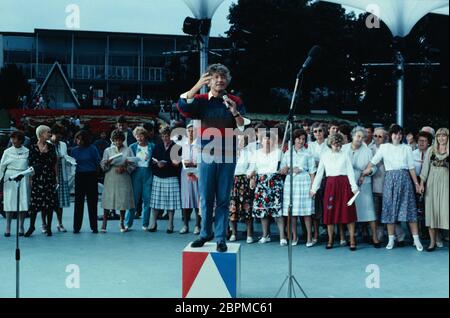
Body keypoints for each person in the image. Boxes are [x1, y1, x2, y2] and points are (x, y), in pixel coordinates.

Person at [177, 63, 246, 252]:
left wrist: (234, 112)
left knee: (223, 197)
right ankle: (204, 234)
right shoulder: (200, 100)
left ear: (227, 81)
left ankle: (220, 237)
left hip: (228, 154)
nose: (220, 80)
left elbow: (243, 126)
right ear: (210, 80)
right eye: (216, 77)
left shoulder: (235, 100)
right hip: (206, 154)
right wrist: (198, 84)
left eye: (223, 77)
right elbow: (183, 105)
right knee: (206, 197)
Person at [363, 124, 423, 251]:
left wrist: (416, 184)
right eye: (395, 133)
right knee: (389, 210)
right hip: (390, 180)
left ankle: (416, 240)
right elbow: (373, 161)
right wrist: (364, 172)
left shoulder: (406, 148)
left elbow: (411, 167)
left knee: (410, 211)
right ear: (390, 135)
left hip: (405, 179)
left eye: (400, 134)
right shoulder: (384, 147)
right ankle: (391, 240)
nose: (398, 136)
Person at [310, 133, 359, 251]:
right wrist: (314, 189)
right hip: (330, 185)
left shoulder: (345, 155)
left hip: (344, 184)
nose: (337, 147)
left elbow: (350, 172)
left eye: (339, 145)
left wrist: (354, 187)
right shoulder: (324, 156)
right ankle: (330, 239)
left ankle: (352, 239)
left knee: (348, 212)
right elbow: (320, 173)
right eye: (335, 145)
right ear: (330, 144)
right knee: (329, 213)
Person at [343, 127, 381, 248]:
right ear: (352, 136)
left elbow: (374, 167)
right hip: (348, 184)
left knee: (369, 211)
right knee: (351, 212)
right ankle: (352, 239)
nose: (360, 139)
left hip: (364, 184)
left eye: (362, 137)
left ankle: (375, 237)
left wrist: (367, 172)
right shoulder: (343, 148)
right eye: (358, 136)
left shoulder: (368, 150)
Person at [248, 131, 286, 245]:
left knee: (277, 211)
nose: (268, 141)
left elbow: (285, 167)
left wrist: (284, 169)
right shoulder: (256, 153)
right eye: (265, 139)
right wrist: (251, 177)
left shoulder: (279, 153)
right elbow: (251, 168)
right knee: (263, 211)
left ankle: (282, 237)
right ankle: (265, 235)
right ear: (261, 141)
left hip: (275, 182)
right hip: (262, 183)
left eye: (270, 139)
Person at [280, 129, 316, 247]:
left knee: (307, 213)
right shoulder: (287, 153)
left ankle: (309, 238)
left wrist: (312, 188)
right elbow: (282, 170)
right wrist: (290, 170)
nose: (301, 141)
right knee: (292, 213)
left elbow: (312, 172)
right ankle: (294, 236)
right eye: (299, 138)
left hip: (304, 182)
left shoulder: (308, 153)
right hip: (291, 183)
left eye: (303, 139)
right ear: (294, 139)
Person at [25, 125, 58, 237]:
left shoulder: (51, 147)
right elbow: (31, 163)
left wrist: (56, 178)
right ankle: (31, 226)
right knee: (34, 204)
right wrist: (30, 179)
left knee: (49, 203)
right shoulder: (33, 147)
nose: (50, 134)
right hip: (37, 178)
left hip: (49, 177)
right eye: (48, 132)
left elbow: (54, 163)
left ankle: (48, 227)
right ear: (41, 134)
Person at [100, 130, 135, 233]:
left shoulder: (128, 150)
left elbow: (133, 164)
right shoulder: (107, 150)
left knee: (122, 199)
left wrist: (124, 168)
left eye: (119, 140)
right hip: (110, 175)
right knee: (108, 199)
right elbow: (102, 166)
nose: (117, 143)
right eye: (115, 141)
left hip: (123, 176)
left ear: (122, 140)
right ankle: (104, 223)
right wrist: (108, 163)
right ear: (112, 140)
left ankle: (122, 222)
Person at [420, 128, 449, 251]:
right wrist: (422, 184)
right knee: (432, 213)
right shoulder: (431, 150)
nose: (441, 138)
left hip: (446, 184)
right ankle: (432, 242)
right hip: (432, 184)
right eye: (439, 136)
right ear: (436, 137)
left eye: (444, 136)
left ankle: (441, 237)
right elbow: (425, 168)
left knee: (445, 211)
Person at [149, 127, 182, 233]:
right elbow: (152, 160)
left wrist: (167, 163)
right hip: (158, 176)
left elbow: (178, 163)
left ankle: (170, 224)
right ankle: (153, 223)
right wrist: (156, 163)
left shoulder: (177, 147)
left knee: (171, 203)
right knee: (155, 202)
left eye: (167, 136)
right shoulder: (157, 146)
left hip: (171, 176)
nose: (164, 138)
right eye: (163, 136)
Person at [70, 130, 100, 233]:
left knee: (92, 202)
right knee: (78, 202)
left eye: (81, 139)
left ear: (86, 140)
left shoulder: (92, 149)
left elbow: (97, 162)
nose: (79, 141)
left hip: (91, 175)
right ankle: (76, 227)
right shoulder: (73, 150)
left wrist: (96, 175)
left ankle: (94, 226)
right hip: (79, 176)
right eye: (77, 139)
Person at [0, 131, 29, 237]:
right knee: (9, 202)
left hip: (23, 176)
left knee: (23, 202)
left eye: (15, 138)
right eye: (12, 138)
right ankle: (8, 226)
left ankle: (21, 226)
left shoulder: (27, 151)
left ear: (21, 140)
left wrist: (30, 179)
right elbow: (2, 167)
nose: (13, 140)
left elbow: (30, 166)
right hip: (10, 177)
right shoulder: (7, 151)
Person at [125, 127, 154, 231]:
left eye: (141, 135)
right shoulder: (132, 146)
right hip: (136, 173)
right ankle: (128, 223)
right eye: (137, 136)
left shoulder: (152, 146)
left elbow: (154, 159)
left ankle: (145, 224)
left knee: (147, 199)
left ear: (145, 135)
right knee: (133, 199)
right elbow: (127, 160)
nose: (139, 138)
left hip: (148, 173)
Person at [229, 134, 254, 243]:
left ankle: (249, 235)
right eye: (238, 140)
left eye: (242, 140)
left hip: (244, 181)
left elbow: (252, 166)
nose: (240, 142)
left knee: (247, 207)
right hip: (232, 181)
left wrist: (248, 175)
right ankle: (234, 233)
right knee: (233, 208)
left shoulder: (249, 153)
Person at [49, 124, 74, 233]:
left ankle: (60, 223)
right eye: (57, 135)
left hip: (62, 173)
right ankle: (45, 224)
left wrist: (68, 160)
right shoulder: (47, 144)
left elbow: (66, 156)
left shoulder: (63, 144)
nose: (59, 137)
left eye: (60, 136)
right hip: (50, 175)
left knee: (60, 202)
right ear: (52, 134)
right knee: (48, 201)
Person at [180, 122, 201, 235]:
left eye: (193, 130)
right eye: (189, 130)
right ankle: (185, 225)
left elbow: (202, 160)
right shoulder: (184, 144)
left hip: (197, 175)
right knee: (186, 200)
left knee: (197, 200)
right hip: (185, 175)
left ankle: (198, 225)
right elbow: (183, 159)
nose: (191, 132)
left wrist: (195, 172)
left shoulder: (200, 144)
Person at [371, 127, 388, 241]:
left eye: (380, 136)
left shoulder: (388, 148)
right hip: (374, 185)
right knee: (376, 211)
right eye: (375, 136)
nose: (377, 138)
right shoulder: (369, 149)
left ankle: (393, 233)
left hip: (387, 184)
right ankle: (378, 234)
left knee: (387, 211)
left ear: (385, 138)